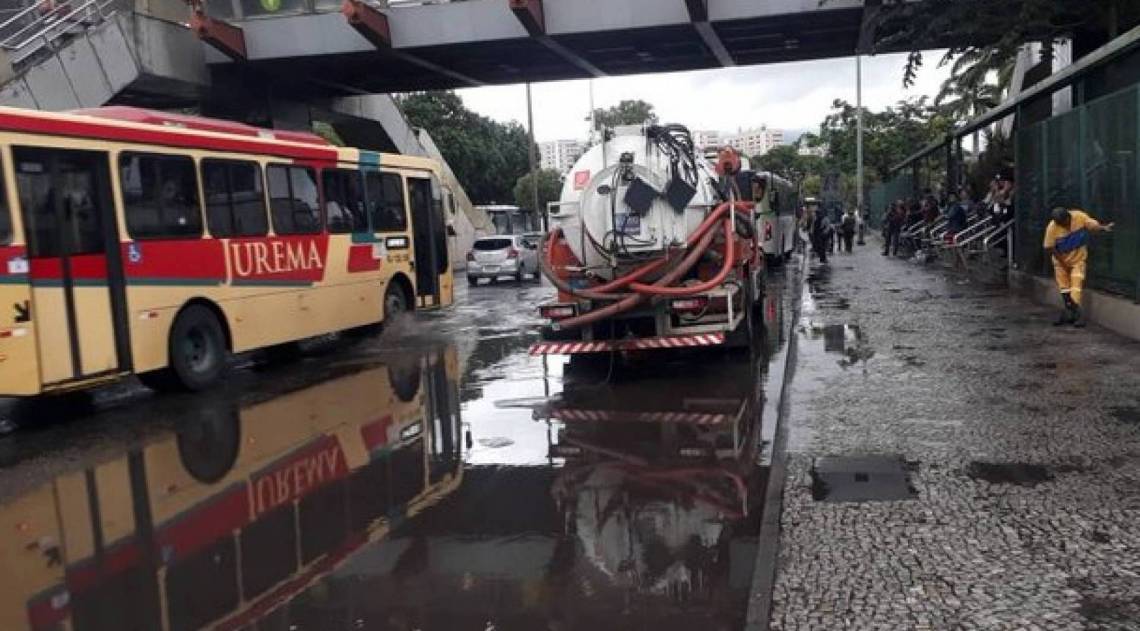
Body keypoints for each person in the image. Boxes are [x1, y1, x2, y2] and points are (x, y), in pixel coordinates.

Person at [1043, 207, 1114, 327]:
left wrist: (1103, 228)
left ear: (1069, 217)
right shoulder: (1052, 228)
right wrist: (1061, 261)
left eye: (1065, 223)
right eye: (1060, 224)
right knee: (1064, 287)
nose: (1064, 226)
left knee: (1076, 285)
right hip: (1060, 261)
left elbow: (1092, 225)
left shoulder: (1079, 217)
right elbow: (1049, 247)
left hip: (1078, 260)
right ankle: (1070, 312)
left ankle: (1074, 313)